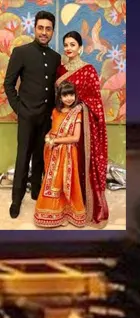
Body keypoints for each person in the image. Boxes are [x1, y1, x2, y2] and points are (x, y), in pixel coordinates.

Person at [3, 11, 61, 218]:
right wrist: (19, 109)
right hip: (27, 116)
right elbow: (8, 84)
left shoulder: (55, 58)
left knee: (40, 157)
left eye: (48, 29)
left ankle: (36, 192)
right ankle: (16, 200)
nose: (44, 32)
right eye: (40, 28)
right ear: (34, 29)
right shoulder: (21, 52)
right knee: (23, 158)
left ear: (52, 32)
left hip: (46, 117)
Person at [55, 30, 109, 227]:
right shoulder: (60, 70)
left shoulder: (89, 70)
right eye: (66, 45)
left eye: (72, 45)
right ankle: (66, 210)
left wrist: (79, 107)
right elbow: (57, 99)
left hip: (84, 127)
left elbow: (96, 101)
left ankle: (85, 208)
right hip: (63, 124)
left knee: (81, 165)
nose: (68, 48)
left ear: (80, 48)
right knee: (64, 167)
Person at [33, 81, 86, 228]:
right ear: (60, 97)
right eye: (65, 95)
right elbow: (54, 129)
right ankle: (54, 213)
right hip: (53, 151)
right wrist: (48, 136)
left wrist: (55, 140)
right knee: (53, 183)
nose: (69, 98)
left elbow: (76, 138)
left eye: (71, 94)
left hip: (68, 153)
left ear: (75, 95)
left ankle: (68, 213)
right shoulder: (55, 112)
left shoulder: (77, 113)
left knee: (67, 183)